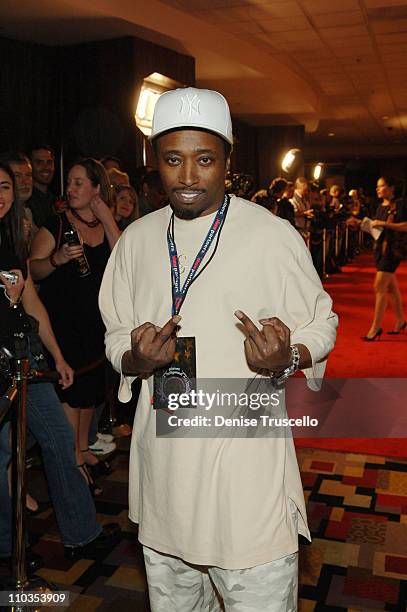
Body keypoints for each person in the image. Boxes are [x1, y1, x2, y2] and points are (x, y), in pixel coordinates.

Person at [99, 87, 337, 611]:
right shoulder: (136, 241)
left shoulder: (271, 235)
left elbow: (321, 323)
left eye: (204, 160)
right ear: (155, 163)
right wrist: (138, 359)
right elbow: (116, 333)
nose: (187, 177)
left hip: (246, 472)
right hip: (165, 471)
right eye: (173, 160)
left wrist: (287, 357)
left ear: (227, 161)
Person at [0, 162, 120, 569]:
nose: (1, 195)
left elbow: (30, 300)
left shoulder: (10, 236)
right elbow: (37, 275)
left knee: (60, 442)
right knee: (5, 456)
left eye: (5, 187)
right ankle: (8, 550)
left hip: (29, 354)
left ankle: (80, 535)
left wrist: (58, 356)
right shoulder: (53, 225)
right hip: (8, 362)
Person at [29, 158, 121, 482]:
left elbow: (125, 261)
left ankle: (81, 451)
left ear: (97, 188)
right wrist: (56, 259)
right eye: (69, 182)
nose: (71, 188)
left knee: (89, 395)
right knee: (72, 393)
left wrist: (108, 219)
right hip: (65, 323)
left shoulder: (106, 224)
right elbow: (33, 270)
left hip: (96, 323)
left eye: (79, 182)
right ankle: (71, 464)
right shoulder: (55, 224)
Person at [362, 176, 407, 340]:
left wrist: (386, 224)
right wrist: (363, 225)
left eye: (381, 186)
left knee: (379, 287)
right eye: (377, 186)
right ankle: (401, 321)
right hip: (380, 250)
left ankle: (375, 328)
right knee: (391, 288)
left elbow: (405, 226)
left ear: (391, 188)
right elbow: (377, 230)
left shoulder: (401, 205)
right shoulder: (380, 206)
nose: (377, 189)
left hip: (393, 251)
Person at [27, 145, 57, 228]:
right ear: (29, 166)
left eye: (49, 162)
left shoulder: (55, 199)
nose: (46, 167)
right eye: (39, 162)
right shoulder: (27, 200)